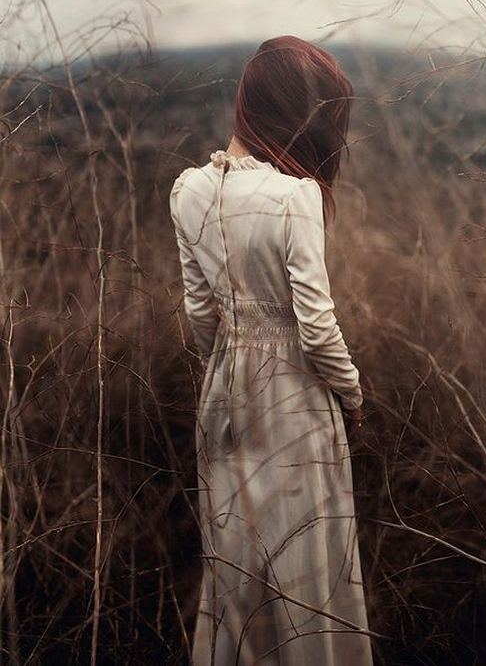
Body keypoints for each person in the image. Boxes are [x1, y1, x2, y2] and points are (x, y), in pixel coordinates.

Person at [169, 35, 374, 665]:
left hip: (222, 396)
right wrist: (352, 394)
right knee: (305, 568)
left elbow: (199, 313)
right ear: (297, 113)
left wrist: (228, 364)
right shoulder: (295, 196)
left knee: (236, 573)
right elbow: (316, 327)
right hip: (294, 398)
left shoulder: (189, 189)